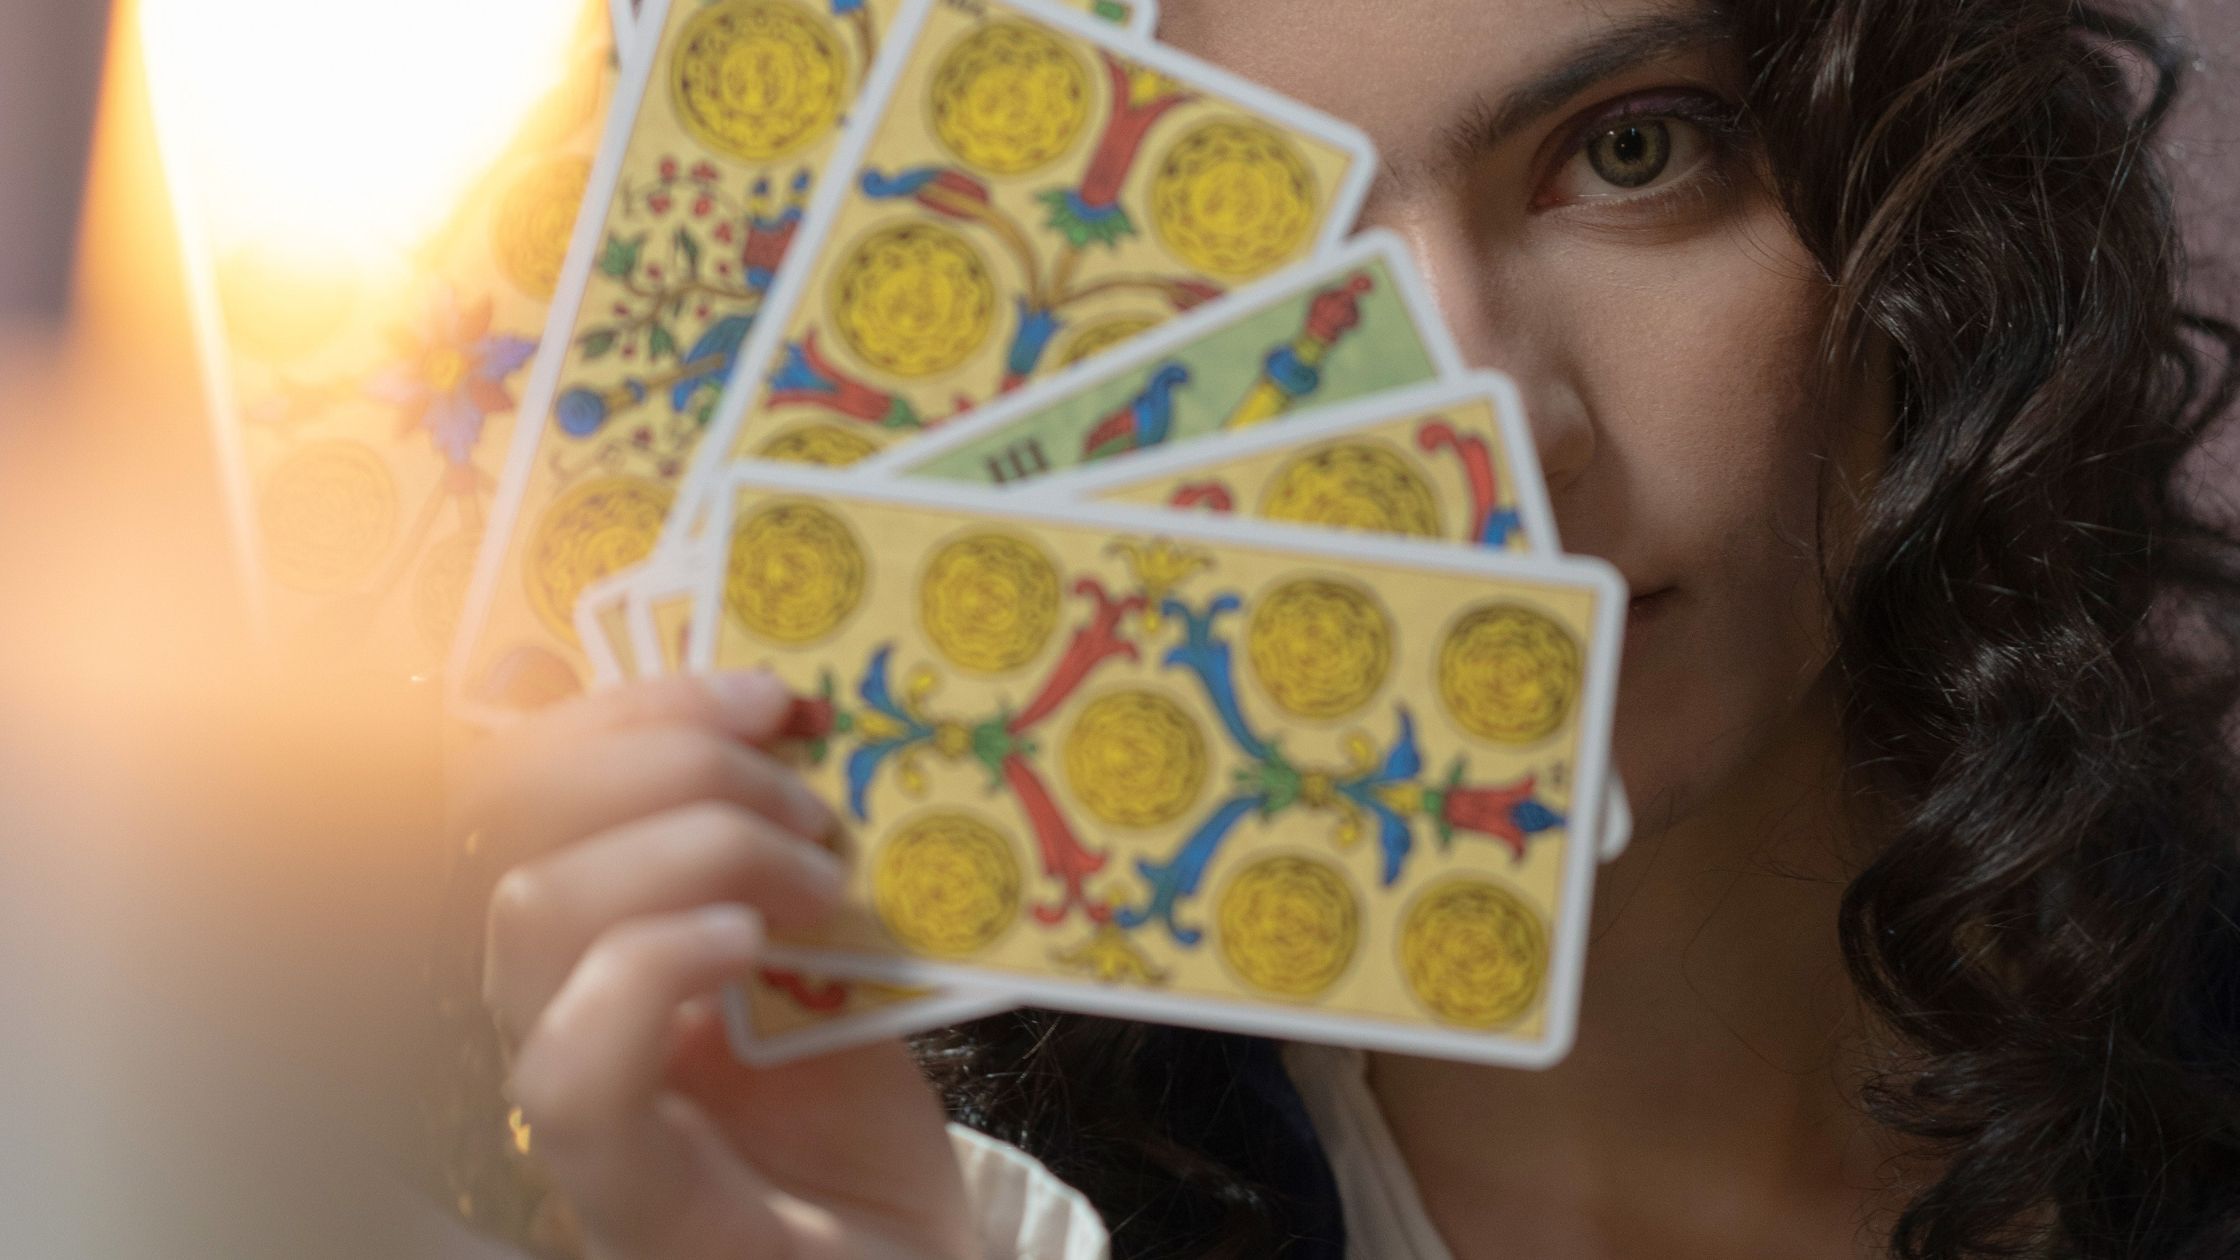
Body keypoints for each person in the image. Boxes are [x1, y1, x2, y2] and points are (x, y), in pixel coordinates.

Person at [463, 0, 2240, 1256]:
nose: (1484, 428)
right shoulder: (942, 1199)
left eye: (1631, 153)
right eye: (1259, 264)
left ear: (1913, 202)